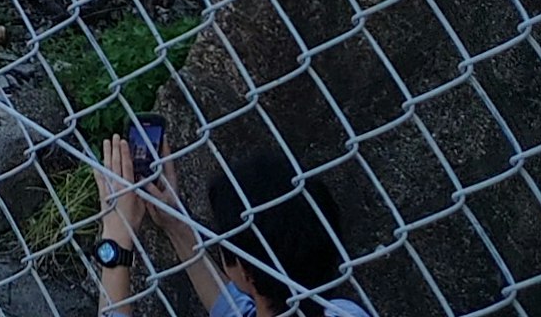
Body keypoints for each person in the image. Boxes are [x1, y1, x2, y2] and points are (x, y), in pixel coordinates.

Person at [98, 131, 372, 317]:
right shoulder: (344, 311)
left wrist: (116, 237)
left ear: (245, 272)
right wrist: (176, 226)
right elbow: (236, 309)